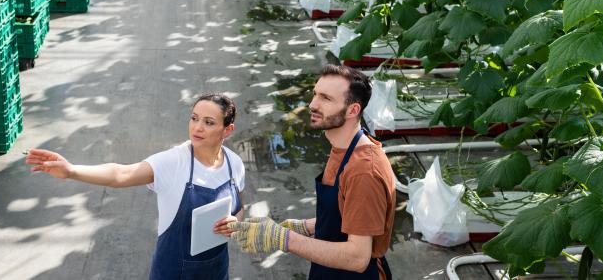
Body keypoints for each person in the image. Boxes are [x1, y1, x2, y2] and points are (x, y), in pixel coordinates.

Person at [25, 93, 244, 280]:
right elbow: (122, 173)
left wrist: (236, 222)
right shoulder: (174, 162)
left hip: (216, 270)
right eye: (194, 118)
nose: (197, 127)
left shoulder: (234, 163)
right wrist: (71, 170)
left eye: (209, 122)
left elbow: (238, 207)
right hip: (174, 273)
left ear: (227, 130)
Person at [229, 65, 395, 279]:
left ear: (353, 110)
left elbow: (357, 258)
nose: (312, 104)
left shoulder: (363, 172)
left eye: (326, 98)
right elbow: (347, 213)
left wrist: (284, 238)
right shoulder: (344, 147)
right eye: (315, 94)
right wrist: (304, 227)